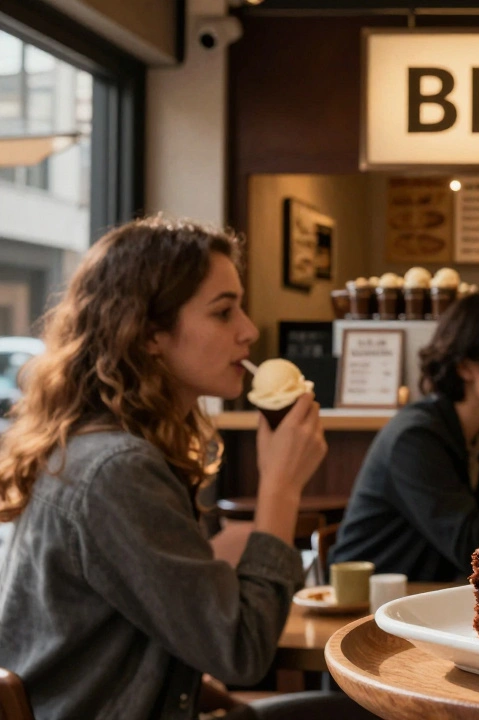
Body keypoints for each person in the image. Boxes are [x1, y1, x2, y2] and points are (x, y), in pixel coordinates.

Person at [0, 217, 369, 719]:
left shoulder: (92, 449)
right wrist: (281, 487)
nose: (249, 330)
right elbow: (241, 651)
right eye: (223, 312)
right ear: (150, 332)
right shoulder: (117, 470)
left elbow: (145, 641)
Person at [331, 293, 479, 582]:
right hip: (371, 603)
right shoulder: (416, 438)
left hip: (426, 595)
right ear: (465, 367)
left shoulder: (478, 431)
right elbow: (472, 549)